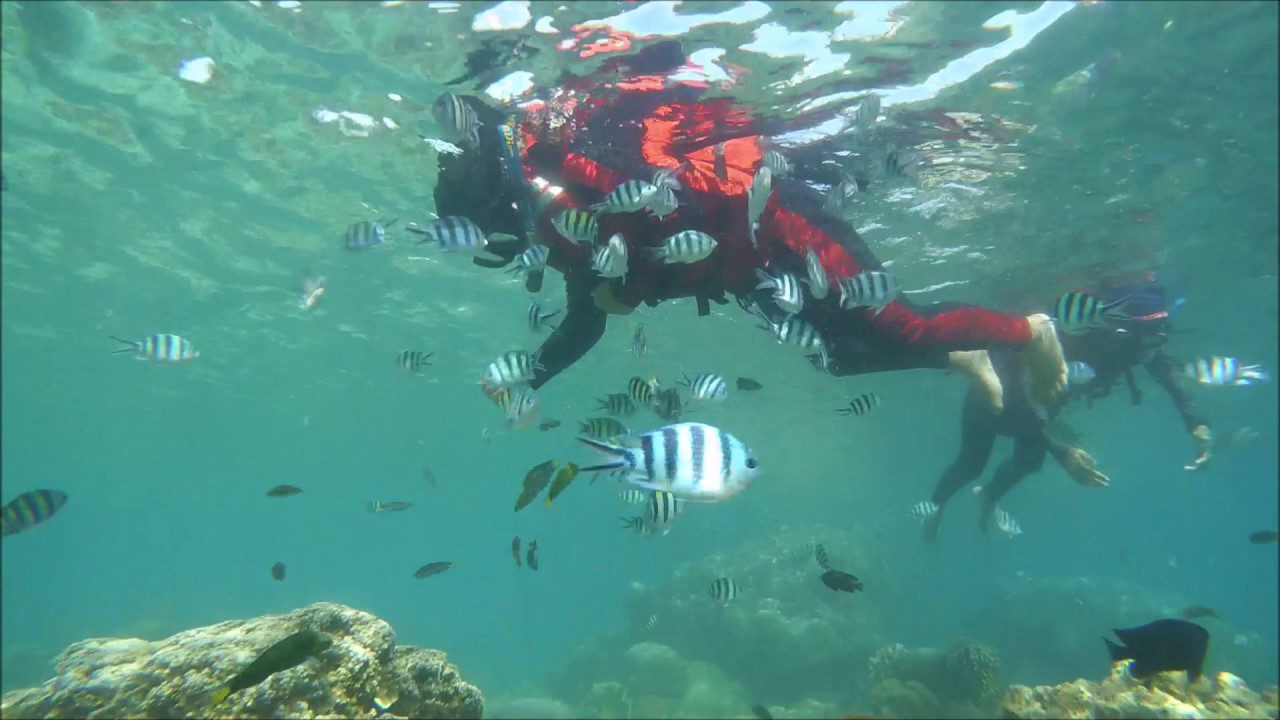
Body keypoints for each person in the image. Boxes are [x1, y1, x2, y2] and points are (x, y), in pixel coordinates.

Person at [432, 41, 1067, 408]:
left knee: (895, 324)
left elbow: (668, 204)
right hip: (742, 270)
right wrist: (530, 374)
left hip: (772, 218)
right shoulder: (553, 226)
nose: (505, 242)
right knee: (839, 360)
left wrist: (623, 291)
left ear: (498, 199)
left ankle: (1028, 332)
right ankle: (958, 356)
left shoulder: (563, 159)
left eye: (493, 231)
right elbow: (586, 312)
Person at [921, 346, 1109, 542]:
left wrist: (1064, 453)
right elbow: (1027, 420)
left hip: (1026, 407)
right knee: (970, 466)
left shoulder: (1055, 374)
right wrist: (1064, 455)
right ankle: (934, 507)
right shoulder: (1021, 367)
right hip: (985, 407)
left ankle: (988, 494)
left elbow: (1037, 420)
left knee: (1031, 462)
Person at [1061, 274, 1212, 471]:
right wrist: (1062, 447)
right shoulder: (1089, 340)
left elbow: (1177, 388)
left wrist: (1199, 429)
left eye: (1159, 330)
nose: (1155, 339)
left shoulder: (1145, 345)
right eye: (1148, 331)